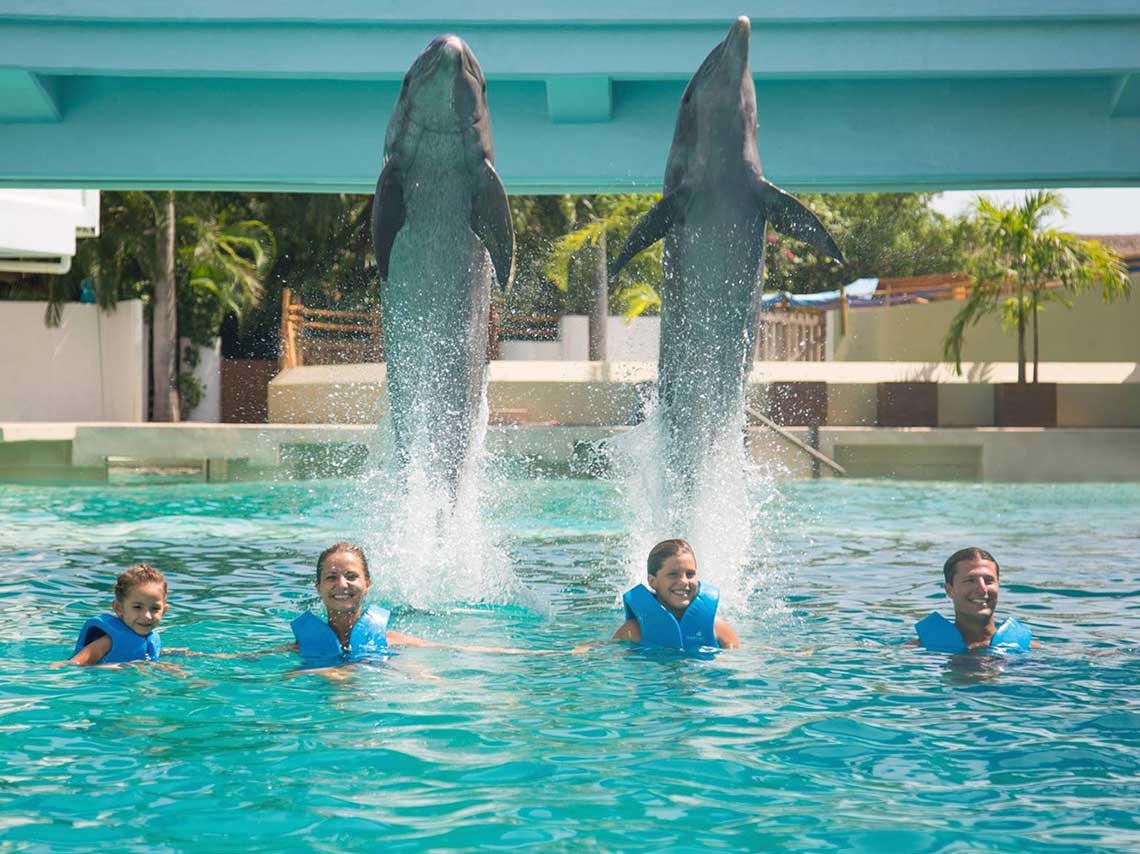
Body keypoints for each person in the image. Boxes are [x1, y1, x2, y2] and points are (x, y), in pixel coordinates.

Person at [613, 538, 740, 650]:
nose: (684, 581)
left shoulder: (717, 628)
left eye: (690, 574)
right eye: (673, 574)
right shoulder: (634, 630)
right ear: (652, 581)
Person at [914, 547, 1039, 653]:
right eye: (970, 580)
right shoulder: (917, 650)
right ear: (949, 590)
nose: (982, 589)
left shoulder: (1029, 649)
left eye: (989, 581)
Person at [62, 563, 169, 666]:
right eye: (137, 607)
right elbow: (73, 664)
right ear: (119, 608)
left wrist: (170, 652)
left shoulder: (150, 638)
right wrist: (121, 666)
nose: (147, 616)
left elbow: (141, 652)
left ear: (164, 611)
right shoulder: (107, 642)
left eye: (155, 608)